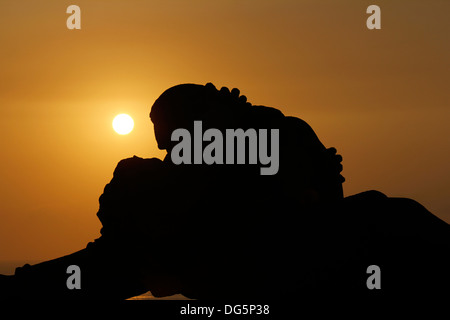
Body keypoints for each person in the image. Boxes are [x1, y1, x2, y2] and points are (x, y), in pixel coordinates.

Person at [0, 83, 448, 300]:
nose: (159, 144)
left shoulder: (216, 147)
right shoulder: (270, 131)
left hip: (253, 260)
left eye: (163, 130)